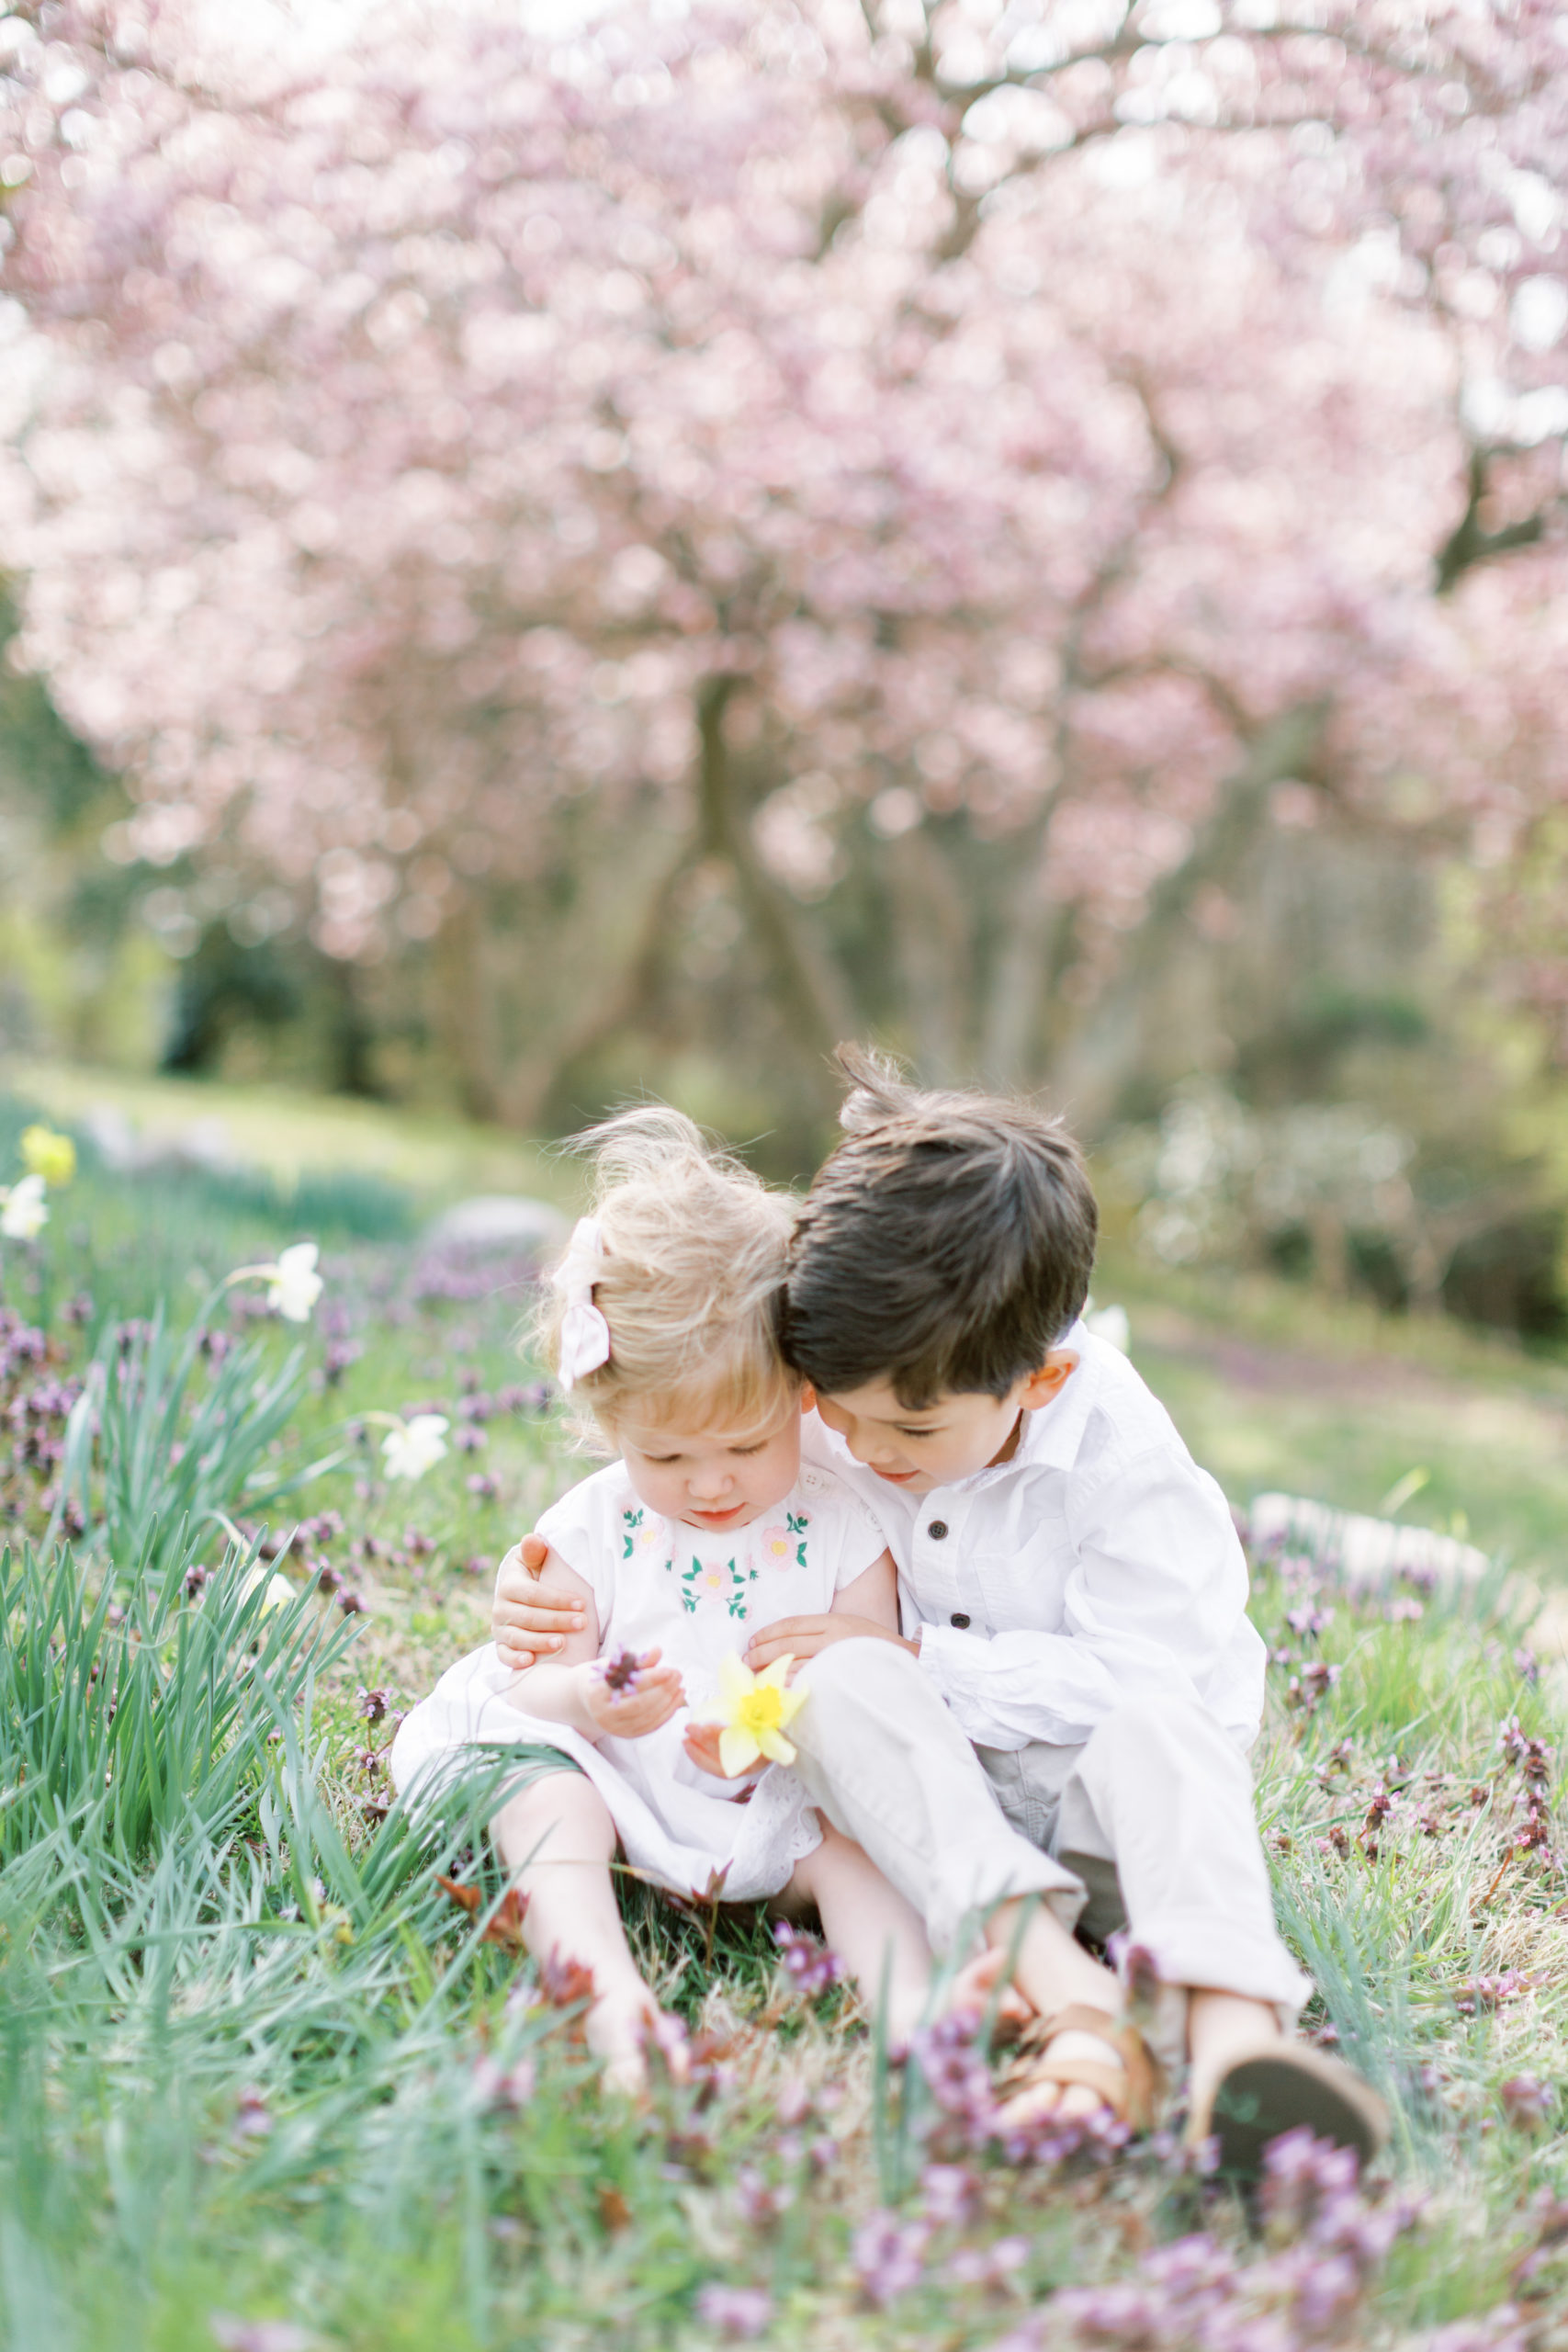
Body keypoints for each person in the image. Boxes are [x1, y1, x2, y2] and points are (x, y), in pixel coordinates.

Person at [493, 1052, 1388, 2174]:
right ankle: (1080, 2016)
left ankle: (1234, 2056)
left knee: (1167, 1732)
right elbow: (683, 1468)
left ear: (1040, 1381)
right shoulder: (858, 1372)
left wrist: (918, 1654)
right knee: (838, 1680)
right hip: (913, 1819)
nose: (863, 1451)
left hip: (1098, 1817)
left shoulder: (1119, 1461)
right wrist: (541, 1587)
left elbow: (1160, 1684)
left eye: (910, 1436)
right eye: (833, 1412)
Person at [390, 1107, 1025, 2094]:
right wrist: (590, 1701)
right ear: (610, 1425)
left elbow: (870, 1672)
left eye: (744, 1444)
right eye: (668, 1456)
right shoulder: (597, 1527)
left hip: (772, 1791)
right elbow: (530, 1692)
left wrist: (783, 1724)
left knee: (849, 1848)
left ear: (802, 1393)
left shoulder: (844, 1519)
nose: (712, 1483)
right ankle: (603, 1990)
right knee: (545, 1799)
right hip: (613, 1768)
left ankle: (919, 2012)